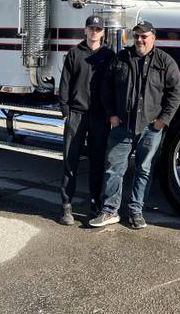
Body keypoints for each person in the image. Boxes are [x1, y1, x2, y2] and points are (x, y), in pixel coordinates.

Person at [89, 20, 180, 229]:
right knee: (114, 169)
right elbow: (106, 88)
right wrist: (111, 114)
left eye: (144, 36)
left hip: (150, 128)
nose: (139, 40)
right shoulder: (120, 59)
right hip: (122, 126)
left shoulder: (165, 62)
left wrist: (162, 121)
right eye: (136, 36)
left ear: (153, 38)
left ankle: (136, 211)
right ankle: (110, 211)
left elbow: (176, 93)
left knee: (144, 170)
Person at [57, 14, 115, 225]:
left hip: (100, 117)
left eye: (98, 29)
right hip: (76, 115)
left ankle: (95, 204)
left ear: (103, 32)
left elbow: (114, 85)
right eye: (91, 28)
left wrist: (112, 113)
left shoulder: (109, 55)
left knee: (97, 162)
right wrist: (66, 112)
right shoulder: (74, 54)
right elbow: (64, 84)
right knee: (70, 161)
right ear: (85, 30)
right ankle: (66, 206)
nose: (94, 32)